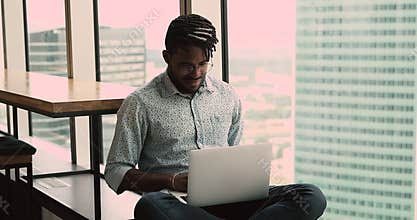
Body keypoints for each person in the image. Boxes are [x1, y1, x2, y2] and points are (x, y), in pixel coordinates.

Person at [104, 14, 326, 220]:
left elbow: (232, 154)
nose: (196, 73)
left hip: (230, 198)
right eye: (187, 65)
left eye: (203, 64)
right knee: (149, 205)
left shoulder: (227, 95)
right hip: (177, 202)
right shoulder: (140, 103)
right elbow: (116, 171)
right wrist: (171, 180)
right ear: (167, 57)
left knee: (310, 196)